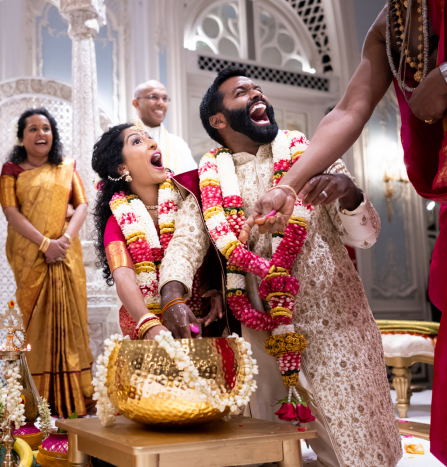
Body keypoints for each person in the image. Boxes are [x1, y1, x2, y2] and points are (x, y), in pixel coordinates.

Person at [158, 67, 402, 466]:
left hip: (337, 323)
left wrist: (349, 192)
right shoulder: (206, 179)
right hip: (259, 334)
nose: (258, 95)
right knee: (269, 454)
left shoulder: (311, 153)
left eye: (259, 89)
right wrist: (172, 293)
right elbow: (186, 241)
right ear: (218, 120)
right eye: (242, 92)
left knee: (361, 451)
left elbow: (367, 235)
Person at [243, 3, 447, 461]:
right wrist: (288, 187)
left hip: (341, 322)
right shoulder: (392, 22)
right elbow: (350, 108)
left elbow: (367, 233)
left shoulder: (298, 147)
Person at [92, 122, 229, 340]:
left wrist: (216, 288)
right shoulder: (118, 219)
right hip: (149, 329)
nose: (152, 142)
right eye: (137, 141)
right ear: (122, 168)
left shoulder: (189, 194)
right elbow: (123, 276)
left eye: (149, 137)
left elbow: (211, 248)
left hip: (203, 319)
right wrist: (148, 323)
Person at [0, 108, 93, 418]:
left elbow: (81, 205)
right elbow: (11, 213)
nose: (41, 134)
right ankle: (32, 399)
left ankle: (75, 398)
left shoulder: (67, 167)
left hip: (66, 254)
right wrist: (44, 244)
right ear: (21, 137)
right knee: (33, 321)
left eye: (47, 128)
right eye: (33, 129)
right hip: (30, 256)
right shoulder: (11, 170)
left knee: (72, 319)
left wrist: (63, 240)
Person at [132, 80, 197, 174]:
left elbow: (192, 181)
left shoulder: (179, 144)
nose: (161, 103)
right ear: (136, 103)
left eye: (165, 99)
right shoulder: (122, 140)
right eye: (154, 97)